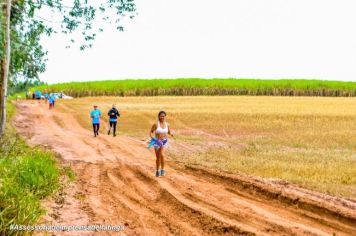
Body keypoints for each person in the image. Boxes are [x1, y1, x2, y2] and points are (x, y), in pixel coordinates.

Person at [149, 111, 173, 177]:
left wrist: (171, 134)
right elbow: (151, 132)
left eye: (163, 116)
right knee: (158, 158)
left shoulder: (167, 124)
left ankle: (162, 170)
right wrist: (153, 138)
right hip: (157, 142)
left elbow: (169, 132)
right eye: (161, 116)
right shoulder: (156, 124)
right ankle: (157, 171)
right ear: (159, 116)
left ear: (165, 116)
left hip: (164, 141)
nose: (162, 117)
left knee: (162, 154)